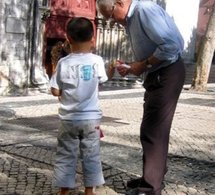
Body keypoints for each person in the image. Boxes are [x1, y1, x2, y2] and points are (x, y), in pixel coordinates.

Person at [96, 0, 185, 195]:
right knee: (152, 130)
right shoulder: (133, 17)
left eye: (110, 15)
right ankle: (152, 177)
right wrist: (133, 65)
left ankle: (151, 188)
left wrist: (143, 64)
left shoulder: (144, 10)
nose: (112, 21)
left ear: (119, 2)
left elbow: (170, 46)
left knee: (153, 131)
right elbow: (157, 49)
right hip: (159, 72)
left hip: (167, 73)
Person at [49, 17, 108, 195]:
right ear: (93, 38)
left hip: (69, 119)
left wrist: (63, 93)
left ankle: (64, 192)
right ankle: (89, 191)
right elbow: (102, 81)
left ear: (68, 38)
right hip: (91, 119)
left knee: (66, 156)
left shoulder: (63, 63)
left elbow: (55, 90)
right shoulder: (97, 61)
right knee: (91, 156)